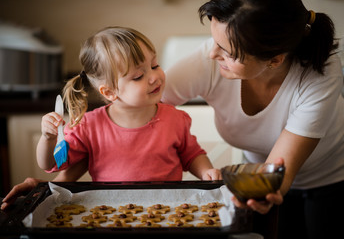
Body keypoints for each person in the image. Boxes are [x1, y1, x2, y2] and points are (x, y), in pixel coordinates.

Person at [161, 0, 344, 238]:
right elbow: (145, 104)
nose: (213, 54)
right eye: (214, 41)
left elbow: (280, 168)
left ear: (275, 59)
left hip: (335, 170)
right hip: (266, 170)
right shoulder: (210, 58)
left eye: (229, 52)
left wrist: (264, 188)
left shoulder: (321, 71)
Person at [39, 27, 222, 182]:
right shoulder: (88, 126)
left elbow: (192, 154)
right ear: (109, 92)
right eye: (138, 77)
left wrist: (206, 171)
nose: (154, 77)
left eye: (155, 65)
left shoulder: (175, 118)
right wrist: (48, 138)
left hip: (167, 212)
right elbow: (52, 164)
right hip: (112, 215)